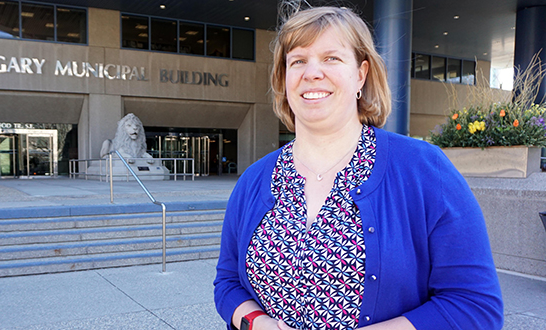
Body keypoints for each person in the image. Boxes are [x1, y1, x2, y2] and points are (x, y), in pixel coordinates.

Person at [213, 6, 503, 330]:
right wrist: (257, 323)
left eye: (331, 58)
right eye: (297, 61)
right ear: (284, 78)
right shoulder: (254, 180)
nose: (312, 73)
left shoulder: (424, 170)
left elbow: (475, 307)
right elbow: (227, 283)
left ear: (361, 74)